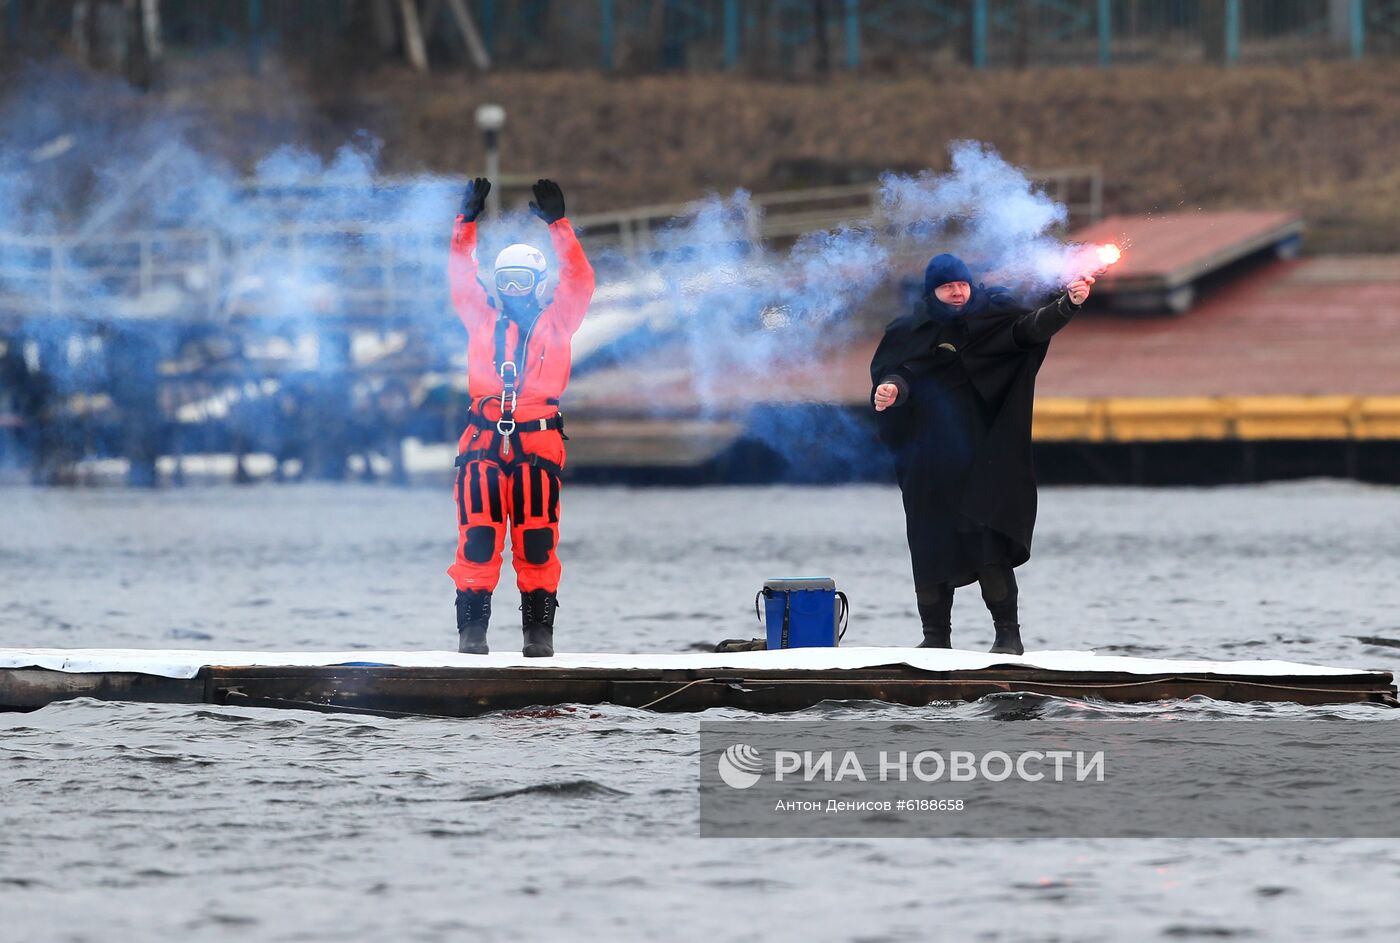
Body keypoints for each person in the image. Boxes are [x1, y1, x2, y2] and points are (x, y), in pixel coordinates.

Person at [869, 253, 1092, 655]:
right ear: (931, 291)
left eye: (962, 284)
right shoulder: (909, 329)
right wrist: (890, 389)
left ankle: (1008, 635)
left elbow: (1029, 330)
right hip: (929, 458)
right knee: (929, 543)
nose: (957, 292)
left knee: (989, 542)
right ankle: (935, 638)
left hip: (983, 455)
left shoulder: (994, 318)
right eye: (947, 286)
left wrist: (1067, 305)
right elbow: (900, 372)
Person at [447, 177, 595, 657]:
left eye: (521, 282)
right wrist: (465, 222)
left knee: (536, 541)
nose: (512, 290)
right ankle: (473, 635)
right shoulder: (480, 317)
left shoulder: (559, 319)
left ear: (537, 284)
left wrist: (559, 226)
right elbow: (458, 273)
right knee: (478, 540)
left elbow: (579, 278)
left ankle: (538, 636)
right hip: (484, 440)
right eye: (504, 281)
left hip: (537, 442)